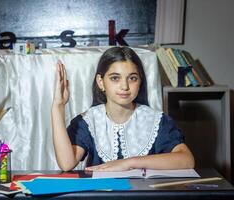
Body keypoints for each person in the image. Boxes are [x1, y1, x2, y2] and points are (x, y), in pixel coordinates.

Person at [51, 46, 195, 172]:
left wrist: (129, 163)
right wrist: (58, 106)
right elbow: (66, 163)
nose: (125, 86)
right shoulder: (88, 121)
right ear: (101, 82)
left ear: (140, 82)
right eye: (115, 78)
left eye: (132, 78)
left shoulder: (156, 120)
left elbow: (187, 160)